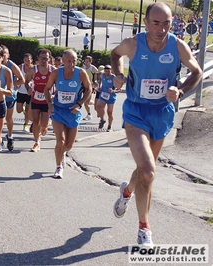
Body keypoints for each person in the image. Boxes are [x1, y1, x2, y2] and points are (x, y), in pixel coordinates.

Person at [111, 2, 202, 247]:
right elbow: (115, 55)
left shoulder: (178, 46)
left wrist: (180, 91)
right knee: (149, 172)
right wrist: (118, 75)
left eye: (166, 23)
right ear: (146, 23)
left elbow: (197, 73)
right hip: (136, 112)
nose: (161, 29)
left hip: (162, 113)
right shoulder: (133, 44)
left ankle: (127, 192)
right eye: (156, 23)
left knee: (145, 171)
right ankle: (144, 229)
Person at [44, 49, 92, 178]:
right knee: (60, 141)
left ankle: (62, 153)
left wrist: (79, 104)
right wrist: (49, 104)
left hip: (73, 111)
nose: (71, 64)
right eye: (69, 61)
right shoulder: (56, 73)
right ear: (63, 61)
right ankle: (58, 167)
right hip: (58, 111)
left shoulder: (81, 73)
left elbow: (89, 89)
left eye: (74, 61)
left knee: (69, 145)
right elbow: (47, 89)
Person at [25, 48, 55, 152]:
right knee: (35, 120)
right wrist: (28, 88)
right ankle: (37, 142)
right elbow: (26, 81)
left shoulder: (53, 71)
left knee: (44, 124)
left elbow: (59, 84)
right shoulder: (33, 70)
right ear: (38, 58)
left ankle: (44, 126)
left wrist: (54, 95)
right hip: (35, 98)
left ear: (49, 59)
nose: (43, 60)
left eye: (46, 59)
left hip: (47, 100)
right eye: (42, 58)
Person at [0, 45, 25, 152]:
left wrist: (11, 84)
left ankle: (10, 137)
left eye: (5, 53)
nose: (3, 56)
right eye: (2, 54)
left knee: (8, 118)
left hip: (9, 95)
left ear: (8, 55)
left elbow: (22, 80)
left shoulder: (12, 66)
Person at [95, 65, 119, 131]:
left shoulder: (114, 78)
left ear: (111, 70)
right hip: (103, 95)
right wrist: (99, 87)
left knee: (109, 112)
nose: (107, 72)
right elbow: (100, 81)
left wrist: (114, 91)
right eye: (106, 70)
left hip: (111, 97)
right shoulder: (102, 75)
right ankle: (102, 119)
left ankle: (109, 125)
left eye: (109, 70)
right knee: (98, 107)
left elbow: (119, 89)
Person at [16, 53, 33, 132]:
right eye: (25, 60)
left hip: (29, 93)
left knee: (28, 109)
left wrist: (31, 84)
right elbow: (16, 75)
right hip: (21, 91)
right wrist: (16, 82)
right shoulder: (20, 67)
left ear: (31, 60)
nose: (27, 62)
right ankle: (26, 112)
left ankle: (25, 125)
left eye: (28, 60)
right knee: (19, 110)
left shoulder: (33, 68)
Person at [82, 55, 99, 121]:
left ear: (90, 62)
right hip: (83, 86)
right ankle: (89, 113)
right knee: (86, 102)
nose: (86, 63)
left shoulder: (93, 68)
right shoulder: (83, 68)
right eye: (85, 61)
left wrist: (95, 84)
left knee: (86, 102)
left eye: (87, 61)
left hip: (90, 86)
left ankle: (89, 114)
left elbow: (98, 77)